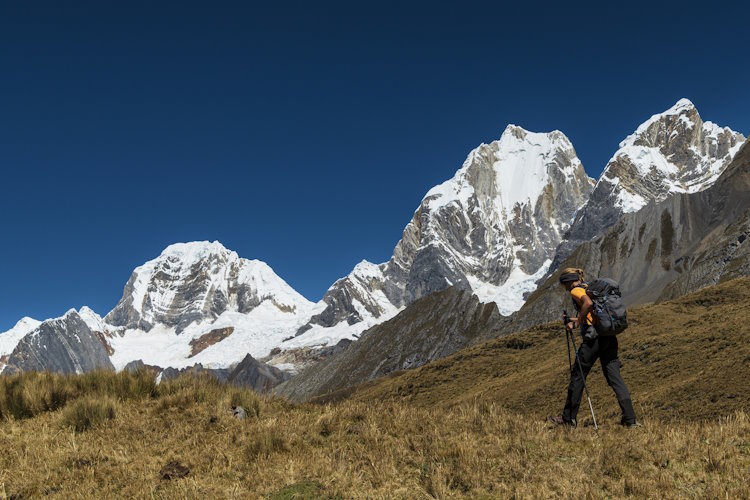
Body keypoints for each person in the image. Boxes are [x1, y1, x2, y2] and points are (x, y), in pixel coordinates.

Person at [549, 267, 637, 428]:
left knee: (578, 375)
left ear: (568, 281)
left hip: (594, 340)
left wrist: (575, 323)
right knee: (614, 377)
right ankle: (630, 419)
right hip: (609, 337)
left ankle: (568, 419)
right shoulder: (589, 288)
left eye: (564, 284)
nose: (565, 288)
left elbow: (587, 305)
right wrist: (574, 318)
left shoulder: (576, 290)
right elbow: (592, 313)